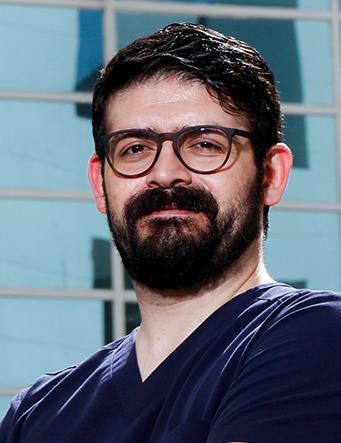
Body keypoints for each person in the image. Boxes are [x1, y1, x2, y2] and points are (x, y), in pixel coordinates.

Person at [1, 22, 341, 443]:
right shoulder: (38, 414)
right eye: (135, 148)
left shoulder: (319, 338)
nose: (165, 174)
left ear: (271, 174)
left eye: (204, 144)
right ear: (100, 183)